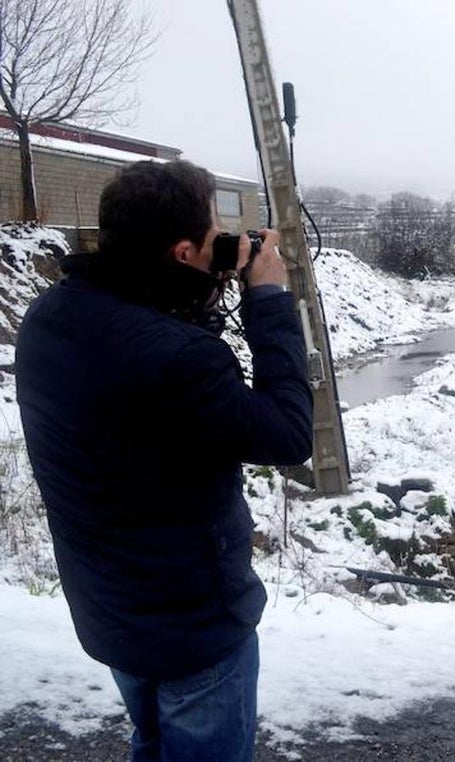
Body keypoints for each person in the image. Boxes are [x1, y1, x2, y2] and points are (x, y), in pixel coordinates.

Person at [16, 159, 314, 762]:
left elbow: (153, 394)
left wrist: (198, 284)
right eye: (213, 236)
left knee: (151, 743)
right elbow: (288, 435)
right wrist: (268, 298)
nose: (224, 243)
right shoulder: (180, 359)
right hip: (192, 626)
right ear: (181, 252)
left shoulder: (50, 316)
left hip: (110, 609)